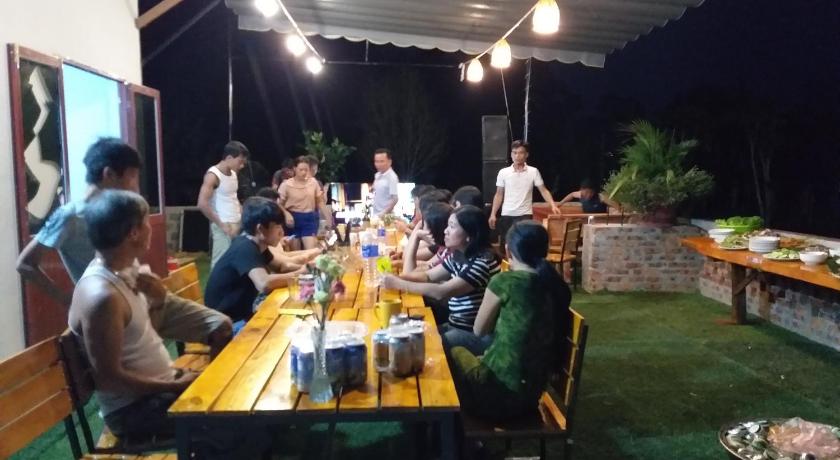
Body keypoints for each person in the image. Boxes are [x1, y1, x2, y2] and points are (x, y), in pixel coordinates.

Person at [17, 139, 231, 358]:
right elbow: (25, 264)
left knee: (221, 327)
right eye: (132, 177)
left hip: (149, 299)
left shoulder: (123, 209)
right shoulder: (70, 215)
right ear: (109, 174)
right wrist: (67, 299)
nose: (136, 187)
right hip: (116, 311)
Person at [68, 190, 199, 441]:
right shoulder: (103, 296)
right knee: (230, 423)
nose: (151, 228)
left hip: (158, 392)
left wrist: (158, 301)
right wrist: (174, 386)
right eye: (147, 222)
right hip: (134, 411)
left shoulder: (125, 273)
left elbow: (141, 340)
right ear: (134, 233)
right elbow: (109, 379)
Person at [450, 220, 571, 421]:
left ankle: (451, 425)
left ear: (508, 250)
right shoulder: (555, 285)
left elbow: (479, 330)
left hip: (496, 398)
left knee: (454, 350)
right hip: (531, 397)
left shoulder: (505, 282)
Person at [382, 205, 500, 355]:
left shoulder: (481, 263)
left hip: (472, 334)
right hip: (455, 324)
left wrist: (398, 283)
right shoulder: (459, 254)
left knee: (418, 347)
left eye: (452, 226)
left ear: (469, 235)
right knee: (408, 336)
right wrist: (394, 278)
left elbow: (441, 292)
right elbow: (428, 276)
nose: (446, 231)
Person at [204, 197, 307, 323]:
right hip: (227, 323)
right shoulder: (245, 248)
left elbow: (281, 267)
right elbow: (264, 283)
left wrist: (310, 268)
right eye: (277, 226)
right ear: (260, 229)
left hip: (240, 314)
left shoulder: (258, 245)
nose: (282, 232)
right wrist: (300, 274)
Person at [489, 140, 560, 252]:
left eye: (521, 153)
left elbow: (543, 190)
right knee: (506, 246)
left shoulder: (533, 171)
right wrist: (493, 214)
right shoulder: (503, 172)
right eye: (514, 153)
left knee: (522, 245)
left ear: (526, 154)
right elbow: (499, 194)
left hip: (524, 214)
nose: (517, 156)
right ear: (511, 154)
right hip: (507, 214)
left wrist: (553, 205)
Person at [197, 141, 249, 268]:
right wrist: (221, 225)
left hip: (237, 222)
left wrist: (244, 215)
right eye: (240, 162)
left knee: (237, 261)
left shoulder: (233, 174)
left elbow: (233, 198)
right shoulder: (213, 175)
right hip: (223, 224)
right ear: (229, 158)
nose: (242, 166)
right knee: (220, 264)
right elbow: (202, 204)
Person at [278, 156, 323, 250]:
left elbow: (320, 202)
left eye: (306, 170)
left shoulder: (313, 182)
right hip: (293, 219)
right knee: (296, 251)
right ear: (295, 169)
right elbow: (278, 204)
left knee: (311, 251)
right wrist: (286, 214)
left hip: (309, 218)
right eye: (301, 170)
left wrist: (327, 218)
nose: (304, 172)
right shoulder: (286, 185)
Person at [371, 148, 399, 217]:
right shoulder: (377, 175)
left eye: (382, 161)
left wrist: (382, 214)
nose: (378, 164)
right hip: (375, 214)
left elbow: (395, 199)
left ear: (390, 162)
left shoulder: (392, 177)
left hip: (386, 217)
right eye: (376, 161)